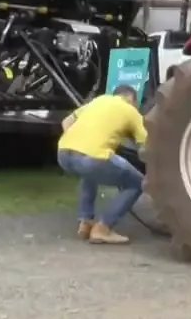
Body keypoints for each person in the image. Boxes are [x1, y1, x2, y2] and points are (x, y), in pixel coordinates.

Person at [56, 84, 147, 245]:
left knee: (89, 174)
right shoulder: (131, 111)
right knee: (138, 183)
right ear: (132, 99)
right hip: (93, 158)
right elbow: (146, 146)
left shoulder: (98, 101)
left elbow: (66, 121)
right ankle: (103, 228)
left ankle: (85, 222)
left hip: (63, 153)